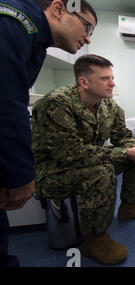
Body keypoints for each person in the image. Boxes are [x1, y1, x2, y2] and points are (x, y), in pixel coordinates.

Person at [31, 54, 135, 265]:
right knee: (102, 171)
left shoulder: (109, 106)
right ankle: (96, 239)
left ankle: (129, 207)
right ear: (84, 82)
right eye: (104, 78)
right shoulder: (56, 103)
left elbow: (122, 136)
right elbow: (70, 151)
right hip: (53, 170)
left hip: (89, 158)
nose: (112, 83)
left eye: (112, 77)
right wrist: (125, 152)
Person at [0, 0, 97, 267]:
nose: (88, 37)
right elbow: (7, 102)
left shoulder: (35, 40)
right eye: (87, 26)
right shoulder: (14, 23)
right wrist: (20, 175)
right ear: (58, 9)